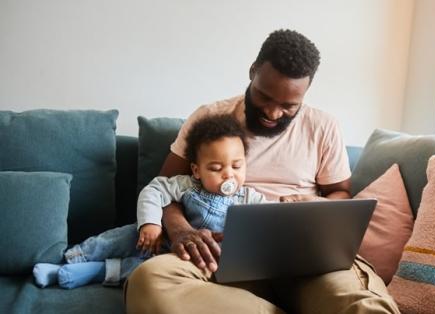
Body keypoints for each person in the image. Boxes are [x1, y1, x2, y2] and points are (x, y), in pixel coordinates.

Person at [125, 29, 400, 314]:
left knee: (363, 305)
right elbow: (165, 186)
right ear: (253, 71)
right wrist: (181, 229)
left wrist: (315, 205)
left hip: (306, 260)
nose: (273, 113)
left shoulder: (323, 126)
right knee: (148, 281)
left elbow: (341, 192)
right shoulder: (209, 118)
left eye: (289, 105)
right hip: (216, 257)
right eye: (265, 97)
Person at [33, 114, 266, 289]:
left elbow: (271, 219)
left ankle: (95, 272)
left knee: (141, 269)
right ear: (196, 170)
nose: (229, 174)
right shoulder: (185, 185)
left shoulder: (248, 197)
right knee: (119, 238)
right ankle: (68, 260)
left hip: (186, 258)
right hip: (161, 236)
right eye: (216, 168)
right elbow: (153, 191)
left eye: (237, 166)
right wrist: (150, 224)